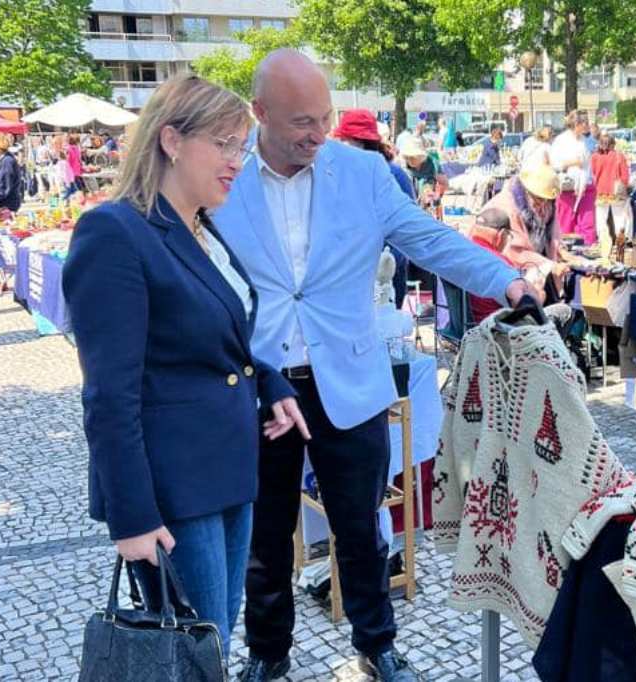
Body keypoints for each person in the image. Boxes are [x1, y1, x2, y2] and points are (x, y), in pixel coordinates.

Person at [212, 49, 536, 682]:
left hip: (348, 381)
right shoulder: (225, 176)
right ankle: (267, 653)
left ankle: (377, 644)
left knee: (361, 527)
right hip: (258, 385)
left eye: (324, 118)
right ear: (259, 114)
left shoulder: (362, 175)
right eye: (301, 120)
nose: (316, 133)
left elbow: (430, 239)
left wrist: (507, 281)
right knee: (264, 536)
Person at [61, 75, 309, 665]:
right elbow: (108, 396)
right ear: (171, 140)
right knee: (189, 656)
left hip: (228, 472)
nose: (237, 162)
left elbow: (222, 337)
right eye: (224, 144)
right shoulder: (115, 232)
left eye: (242, 147)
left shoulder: (201, 228)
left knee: (210, 647)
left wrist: (269, 381)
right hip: (173, 489)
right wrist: (133, 516)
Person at [332, 109, 416, 309]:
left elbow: (409, 229)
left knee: (386, 329)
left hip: (386, 272)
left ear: (361, 143)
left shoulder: (395, 175)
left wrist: (386, 264)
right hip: (349, 272)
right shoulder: (339, 174)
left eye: (345, 141)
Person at [478, 162, 567, 299]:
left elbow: (553, 236)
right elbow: (513, 251)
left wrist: (562, 252)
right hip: (505, 276)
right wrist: (550, 266)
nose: (543, 204)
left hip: (535, 269)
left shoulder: (546, 204)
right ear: (526, 191)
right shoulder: (507, 207)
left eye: (547, 200)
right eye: (539, 199)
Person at [551, 110, 596, 244]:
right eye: (585, 122)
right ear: (577, 124)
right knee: (566, 223)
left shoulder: (585, 141)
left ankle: (588, 251)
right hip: (567, 188)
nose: (587, 125)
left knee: (588, 224)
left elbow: (588, 164)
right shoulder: (561, 140)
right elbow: (554, 163)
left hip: (586, 187)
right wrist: (572, 162)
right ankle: (564, 252)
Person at [464, 208, 516, 321]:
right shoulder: (500, 263)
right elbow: (521, 304)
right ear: (501, 235)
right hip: (494, 328)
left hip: (460, 328)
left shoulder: (459, 254)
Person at [590, 132, 632, 259]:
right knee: (620, 217)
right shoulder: (619, 156)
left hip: (600, 190)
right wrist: (625, 186)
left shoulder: (595, 157)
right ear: (613, 144)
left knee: (601, 219)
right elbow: (625, 176)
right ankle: (622, 241)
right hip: (616, 191)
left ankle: (604, 243)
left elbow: (593, 173)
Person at [400, 136, 447, 212]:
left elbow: (444, 183)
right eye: (408, 157)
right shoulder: (403, 165)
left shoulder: (433, 163)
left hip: (429, 206)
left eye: (412, 157)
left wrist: (436, 194)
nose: (410, 160)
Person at [66, 133, 86, 200]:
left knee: (73, 190)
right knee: (78, 189)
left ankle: (72, 201)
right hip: (76, 171)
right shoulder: (75, 149)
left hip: (72, 172)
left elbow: (68, 161)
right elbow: (78, 160)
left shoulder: (69, 149)